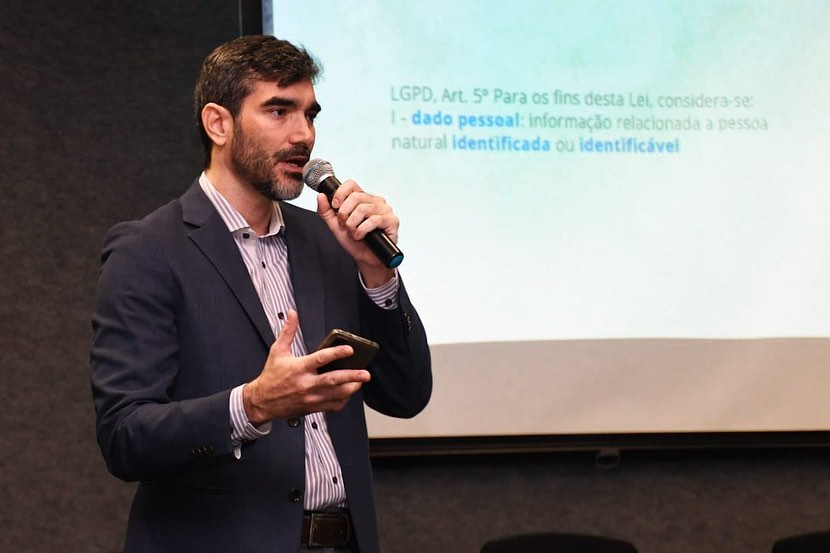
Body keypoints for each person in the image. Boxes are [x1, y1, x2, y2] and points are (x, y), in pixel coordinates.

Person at [90, 34, 432, 553]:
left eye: (310, 115)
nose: (303, 135)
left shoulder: (331, 239)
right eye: (278, 111)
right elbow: (124, 438)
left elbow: (406, 396)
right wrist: (251, 405)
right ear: (218, 123)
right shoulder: (150, 250)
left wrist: (376, 275)